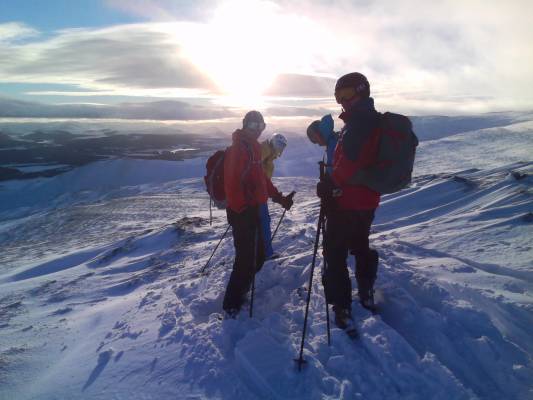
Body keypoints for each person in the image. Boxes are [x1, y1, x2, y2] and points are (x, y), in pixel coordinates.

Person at [316, 72, 381, 329]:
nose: (342, 102)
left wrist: (329, 184)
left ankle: (342, 306)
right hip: (367, 201)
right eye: (338, 97)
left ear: (361, 91)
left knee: (335, 253)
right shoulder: (373, 120)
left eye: (345, 95)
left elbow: (347, 164)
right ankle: (365, 291)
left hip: (345, 201)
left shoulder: (359, 122)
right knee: (360, 245)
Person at [223, 111, 294, 317]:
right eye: (252, 125)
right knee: (245, 258)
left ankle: (242, 289)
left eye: (259, 126)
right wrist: (242, 209)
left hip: (252, 209)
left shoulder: (254, 148)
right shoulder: (238, 149)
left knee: (259, 255)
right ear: (244, 125)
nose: (255, 129)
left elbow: (261, 181)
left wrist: (279, 198)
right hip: (242, 212)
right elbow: (232, 184)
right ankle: (231, 304)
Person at [259, 133, 288, 258]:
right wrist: (277, 196)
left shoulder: (267, 154)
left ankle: (262, 252)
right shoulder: (264, 152)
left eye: (283, 147)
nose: (281, 149)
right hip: (256, 196)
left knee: (262, 222)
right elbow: (261, 178)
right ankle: (267, 254)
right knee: (264, 222)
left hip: (259, 194)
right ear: (274, 143)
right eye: (279, 145)